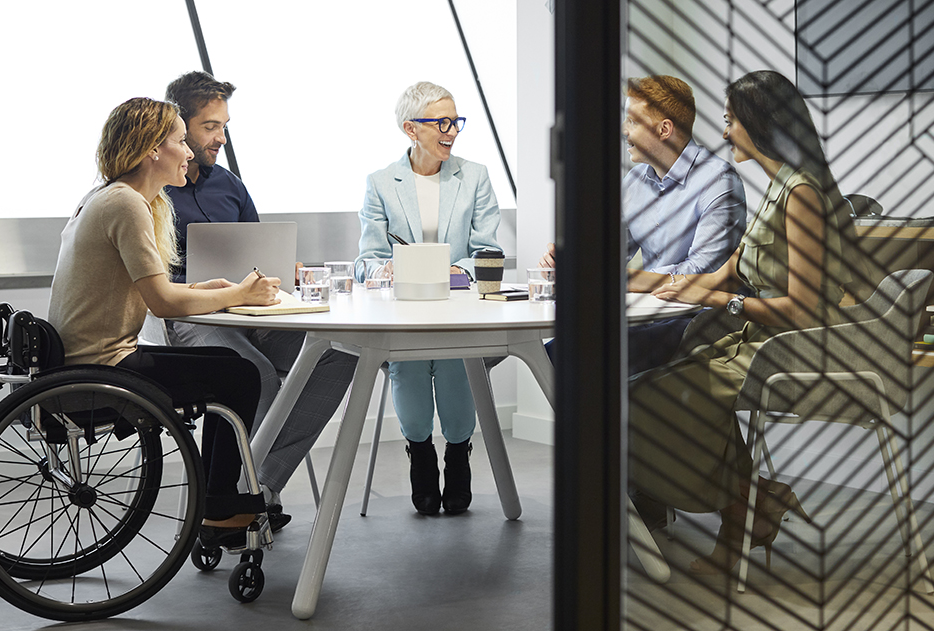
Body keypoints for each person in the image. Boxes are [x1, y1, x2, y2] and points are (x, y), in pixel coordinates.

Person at [628, 70, 860, 573]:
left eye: (731, 120)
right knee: (659, 385)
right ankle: (752, 506)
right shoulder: (778, 187)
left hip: (789, 347)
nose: (726, 131)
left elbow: (803, 308)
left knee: (645, 399)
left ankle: (742, 509)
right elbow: (731, 268)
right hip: (757, 339)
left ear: (758, 123)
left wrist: (721, 304)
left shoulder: (802, 196)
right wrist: (673, 286)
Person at [48, 97, 279, 548]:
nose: (189, 152)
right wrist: (240, 294)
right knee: (240, 373)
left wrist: (209, 290)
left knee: (227, 370)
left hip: (85, 358)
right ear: (153, 149)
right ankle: (219, 503)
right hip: (105, 366)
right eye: (180, 141)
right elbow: (163, 302)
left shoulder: (106, 197)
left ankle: (217, 500)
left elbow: (155, 294)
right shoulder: (126, 204)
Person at [162, 71, 358, 530]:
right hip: (194, 316)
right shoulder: (155, 188)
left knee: (339, 353)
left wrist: (284, 273)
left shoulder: (230, 185)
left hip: (251, 310)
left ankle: (259, 487)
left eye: (224, 126)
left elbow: (258, 252)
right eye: (211, 126)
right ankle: (228, 499)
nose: (221, 137)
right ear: (180, 124)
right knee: (255, 373)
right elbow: (158, 286)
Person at [354, 81, 502, 516]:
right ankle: (420, 453)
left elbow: (487, 251)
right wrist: (385, 269)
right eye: (441, 122)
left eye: (455, 121)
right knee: (410, 368)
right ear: (410, 129)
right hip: (404, 309)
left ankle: (458, 455)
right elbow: (368, 259)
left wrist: (461, 270)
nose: (451, 130)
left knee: (457, 369)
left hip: (458, 306)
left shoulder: (474, 176)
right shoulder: (381, 183)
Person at [540, 75, 747, 372]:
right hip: (645, 313)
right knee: (555, 353)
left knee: (569, 354)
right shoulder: (635, 180)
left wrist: (624, 280)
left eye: (632, 122)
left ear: (664, 129)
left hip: (698, 319)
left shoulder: (719, 181)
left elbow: (703, 270)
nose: (624, 131)